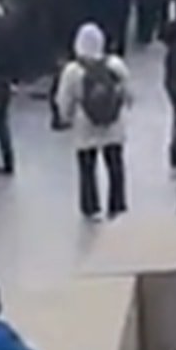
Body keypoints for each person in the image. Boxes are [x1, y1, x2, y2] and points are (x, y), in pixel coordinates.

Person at [53, 22, 135, 220]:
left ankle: (91, 207)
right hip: (113, 125)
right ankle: (117, 204)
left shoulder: (72, 70)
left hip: (85, 124)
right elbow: (129, 94)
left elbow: (64, 99)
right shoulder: (115, 64)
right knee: (115, 165)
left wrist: (66, 117)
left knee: (87, 167)